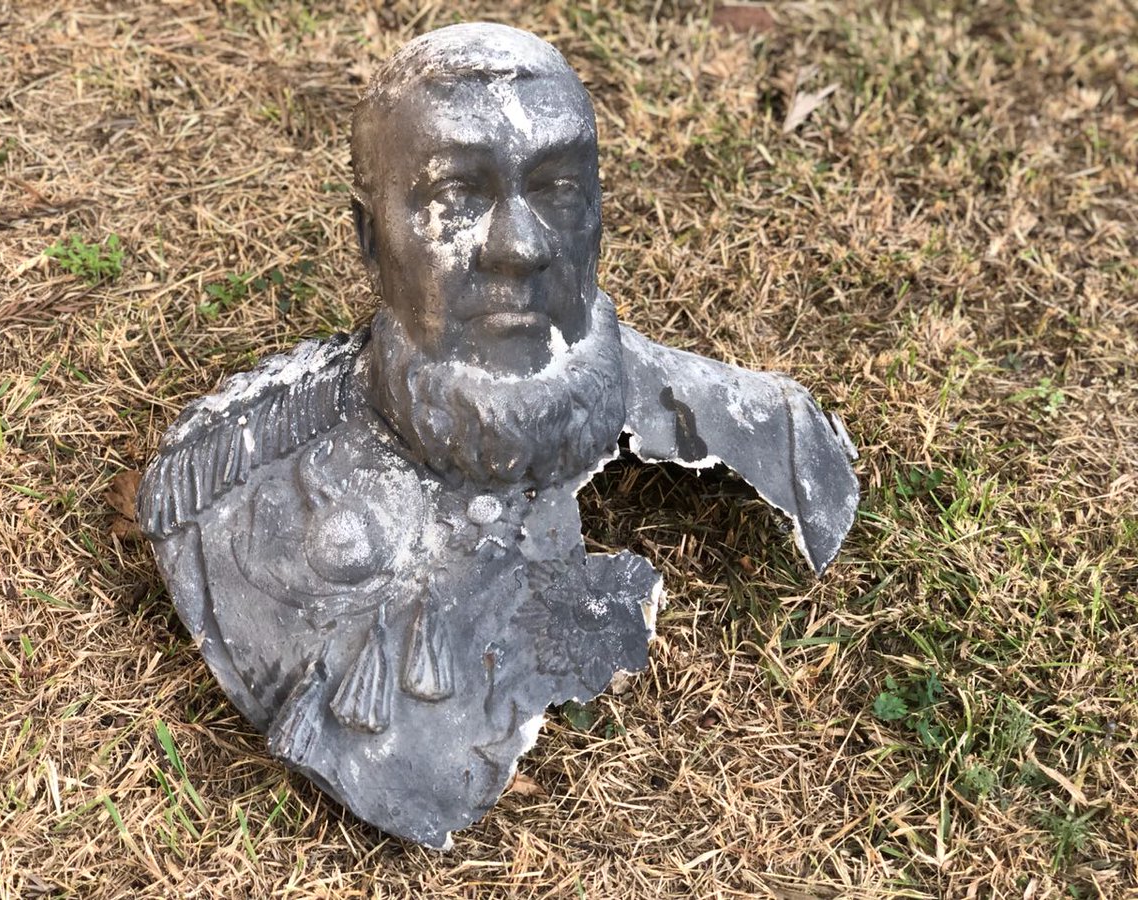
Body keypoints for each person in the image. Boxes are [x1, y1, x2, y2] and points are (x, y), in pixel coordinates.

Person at [137, 23, 858, 850]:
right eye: (456, 196)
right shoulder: (229, 486)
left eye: (557, 190)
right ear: (370, 237)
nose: (519, 247)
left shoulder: (775, 431)